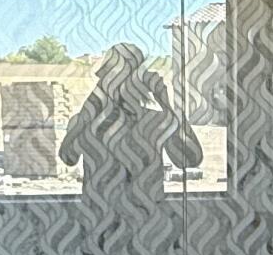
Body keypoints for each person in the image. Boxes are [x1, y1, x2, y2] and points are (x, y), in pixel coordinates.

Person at [58, 41, 201, 220]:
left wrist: (167, 106)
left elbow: (190, 160)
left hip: (133, 225)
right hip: (114, 226)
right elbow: (68, 158)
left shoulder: (154, 121)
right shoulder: (88, 122)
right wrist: (166, 105)